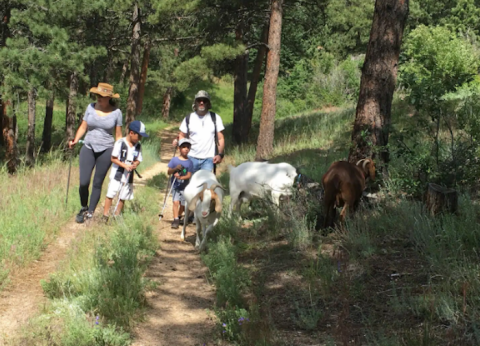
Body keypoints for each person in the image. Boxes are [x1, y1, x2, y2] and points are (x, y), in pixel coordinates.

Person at [69, 83, 123, 223]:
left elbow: (118, 135)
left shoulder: (116, 113)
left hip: (106, 149)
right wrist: (75, 140)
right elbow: (83, 126)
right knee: (84, 182)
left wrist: (120, 152)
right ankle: (83, 207)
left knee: (97, 183)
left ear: (109, 98)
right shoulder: (90, 107)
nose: (99, 98)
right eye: (98, 95)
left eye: (102, 96)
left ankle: (90, 212)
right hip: (88, 147)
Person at [102, 120, 148, 220]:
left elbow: (138, 159)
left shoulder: (138, 146)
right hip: (117, 174)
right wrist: (124, 166)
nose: (140, 139)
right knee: (111, 193)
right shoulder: (120, 143)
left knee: (123, 196)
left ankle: (117, 216)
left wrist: (135, 164)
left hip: (128, 176)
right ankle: (105, 216)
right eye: (139, 136)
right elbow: (113, 158)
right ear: (131, 133)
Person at [172, 90, 225, 173]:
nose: (201, 102)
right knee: (191, 183)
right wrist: (180, 144)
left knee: (205, 184)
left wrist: (220, 155)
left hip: (209, 159)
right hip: (191, 157)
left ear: (208, 103)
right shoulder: (189, 118)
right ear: (195, 103)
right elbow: (181, 135)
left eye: (204, 100)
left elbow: (220, 138)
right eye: (199, 100)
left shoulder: (215, 118)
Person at [167, 138, 193, 228]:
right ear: (179, 148)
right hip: (175, 185)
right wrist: (175, 169)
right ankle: (176, 220)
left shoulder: (189, 162)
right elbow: (169, 172)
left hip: (185, 187)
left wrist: (181, 177)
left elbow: (189, 175)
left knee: (183, 204)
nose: (186, 149)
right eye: (183, 147)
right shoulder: (174, 160)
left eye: (188, 147)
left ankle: (178, 215)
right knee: (175, 202)